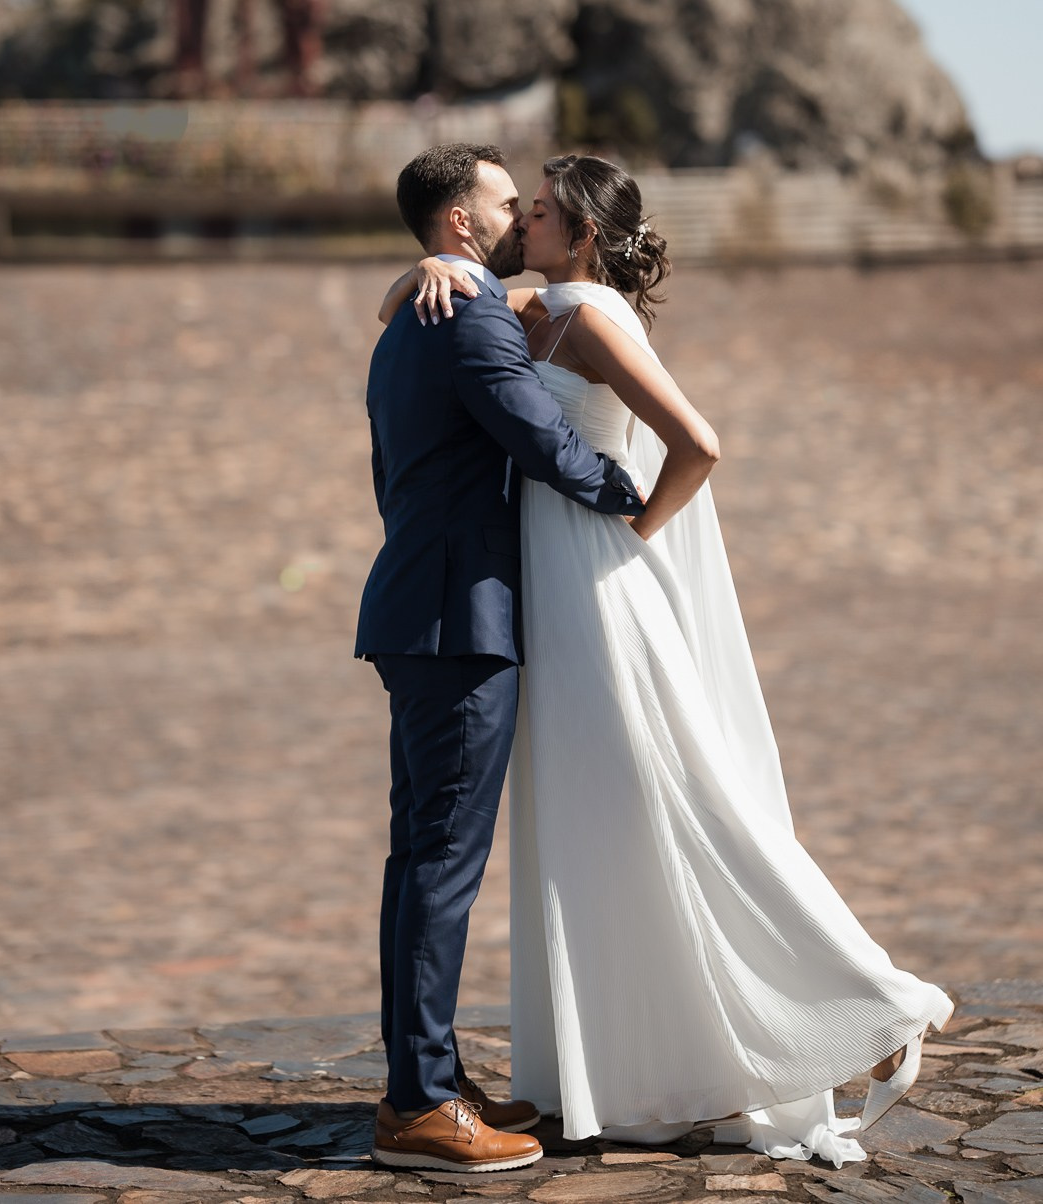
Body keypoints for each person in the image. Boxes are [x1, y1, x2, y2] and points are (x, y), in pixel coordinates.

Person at [379, 151, 954, 1167]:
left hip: (593, 586)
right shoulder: (516, 308)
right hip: (528, 599)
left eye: (542, 209)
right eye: (514, 207)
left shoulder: (581, 317)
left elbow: (695, 443)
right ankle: (619, 1064)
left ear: (581, 235)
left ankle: (863, 1001)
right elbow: (454, 309)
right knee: (584, 828)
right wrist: (430, 270)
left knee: (677, 796)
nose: (525, 219)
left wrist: (626, 529)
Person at [356, 143, 647, 1175]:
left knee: (418, 864)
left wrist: (411, 274)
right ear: (461, 227)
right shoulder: (468, 315)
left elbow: (394, 467)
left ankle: (421, 1079)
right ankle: (420, 1106)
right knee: (440, 865)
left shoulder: (414, 320)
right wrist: (633, 500)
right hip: (460, 621)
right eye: (504, 203)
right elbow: (542, 442)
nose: (523, 215)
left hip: (419, 610)